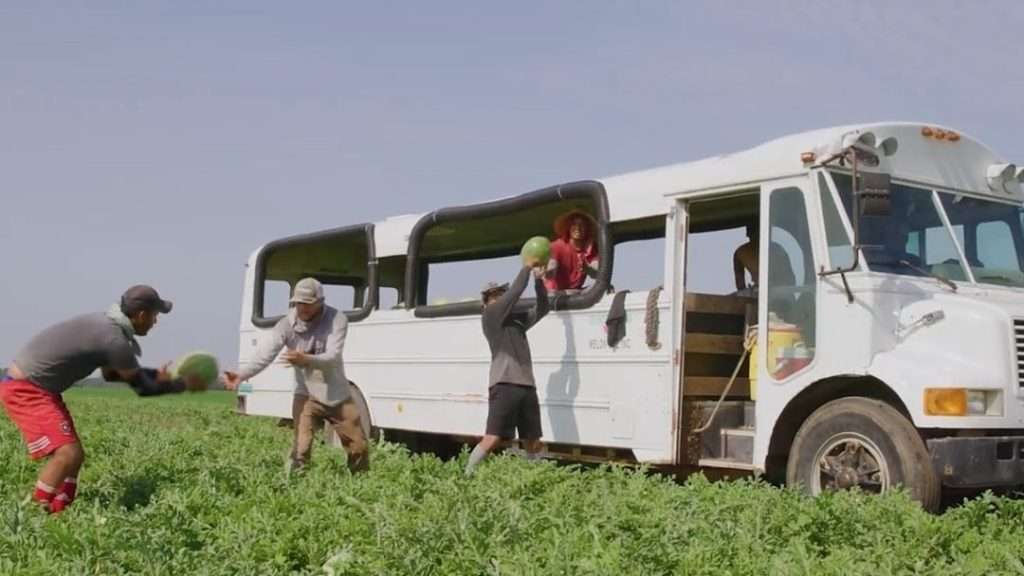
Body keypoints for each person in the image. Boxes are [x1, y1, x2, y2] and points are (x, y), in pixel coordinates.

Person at [1, 285, 203, 514]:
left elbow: (111, 374)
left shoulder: (107, 326)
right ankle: (33, 513)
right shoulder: (113, 339)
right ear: (141, 315)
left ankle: (60, 509)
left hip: (39, 387)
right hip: (27, 389)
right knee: (68, 454)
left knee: (76, 457)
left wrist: (160, 376)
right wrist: (183, 384)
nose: (155, 322)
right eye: (155, 316)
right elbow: (142, 387)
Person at [223, 277, 368, 474]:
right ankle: (294, 487)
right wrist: (241, 375)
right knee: (301, 448)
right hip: (305, 394)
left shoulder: (337, 319)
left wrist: (306, 359)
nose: (303, 308)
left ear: (320, 302)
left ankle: (360, 485)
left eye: (308, 304)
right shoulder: (286, 325)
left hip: (336, 394)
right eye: (299, 303)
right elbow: (265, 354)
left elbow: (333, 356)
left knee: (358, 446)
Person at [464, 263, 549, 476]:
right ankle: (466, 475)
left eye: (500, 293)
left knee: (533, 439)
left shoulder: (517, 322)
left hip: (527, 384)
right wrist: (527, 268)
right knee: (493, 437)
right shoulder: (490, 317)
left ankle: (534, 478)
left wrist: (539, 281)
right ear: (486, 303)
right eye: (493, 295)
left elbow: (543, 308)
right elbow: (515, 293)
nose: (498, 298)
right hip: (504, 384)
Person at [545, 210, 599, 291]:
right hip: (556, 293)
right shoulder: (557, 246)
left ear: (587, 228)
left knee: (605, 288)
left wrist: (587, 269)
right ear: (568, 227)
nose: (578, 228)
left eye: (582, 225)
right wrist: (546, 272)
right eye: (574, 224)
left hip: (578, 292)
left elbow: (597, 273)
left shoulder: (592, 248)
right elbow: (552, 268)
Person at [733, 222, 759, 293]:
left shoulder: (740, 251)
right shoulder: (776, 248)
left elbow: (740, 284)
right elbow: (791, 280)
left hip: (759, 291)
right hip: (782, 291)